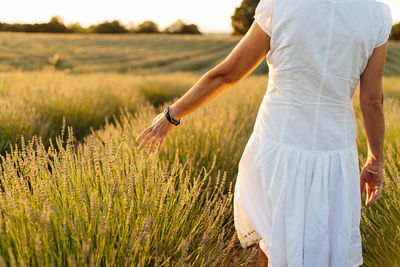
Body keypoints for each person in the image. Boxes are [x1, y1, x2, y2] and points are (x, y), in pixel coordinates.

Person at [135, 0, 393, 265]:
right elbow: (372, 101)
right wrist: (376, 161)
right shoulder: (376, 14)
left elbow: (228, 74)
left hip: (278, 147)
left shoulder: (281, 5)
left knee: (272, 245)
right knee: (326, 250)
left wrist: (171, 115)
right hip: (335, 157)